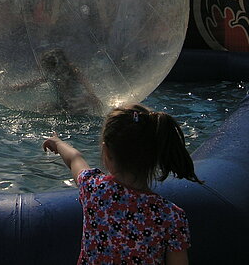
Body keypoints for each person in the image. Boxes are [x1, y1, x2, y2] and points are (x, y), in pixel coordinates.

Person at [43, 104, 202, 264]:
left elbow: (74, 159)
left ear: (106, 152)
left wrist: (57, 143)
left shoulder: (94, 189)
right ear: (154, 156)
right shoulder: (171, 216)